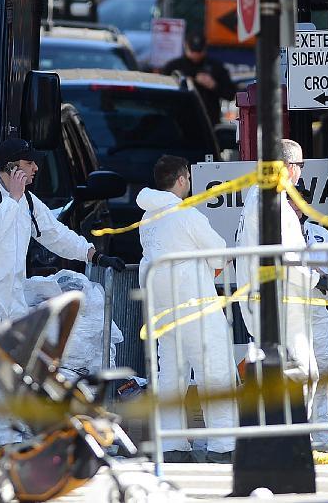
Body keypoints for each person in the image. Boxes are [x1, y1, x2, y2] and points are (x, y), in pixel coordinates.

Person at [0, 138, 125, 459]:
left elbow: (54, 234)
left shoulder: (28, 202)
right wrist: (14, 198)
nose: (36, 168)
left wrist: (92, 254)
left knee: (13, 367)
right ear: (11, 168)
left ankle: (3, 435)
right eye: (29, 163)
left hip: (11, 296)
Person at [137, 155, 237, 463]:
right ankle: (223, 445)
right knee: (215, 371)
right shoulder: (186, 215)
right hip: (197, 303)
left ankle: (172, 444)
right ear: (181, 180)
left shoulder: (147, 218)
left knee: (170, 375)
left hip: (164, 306)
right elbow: (220, 252)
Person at [235, 139, 320, 386]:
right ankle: (294, 425)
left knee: (281, 372)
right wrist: (315, 277)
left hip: (260, 298)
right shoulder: (274, 202)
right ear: (287, 166)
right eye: (300, 164)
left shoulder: (256, 195)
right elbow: (290, 256)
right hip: (281, 301)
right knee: (303, 373)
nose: (301, 172)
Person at [289, 187, 328, 447]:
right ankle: (296, 443)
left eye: (299, 204)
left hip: (316, 309)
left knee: (322, 373)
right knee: (296, 375)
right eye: (290, 203)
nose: (295, 208)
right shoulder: (273, 234)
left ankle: (321, 444)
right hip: (287, 313)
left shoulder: (320, 235)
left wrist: (324, 280)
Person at [162, 33, 236, 126]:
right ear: (185, 46)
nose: (196, 54)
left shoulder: (216, 67)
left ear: (205, 48)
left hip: (207, 121)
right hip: (179, 120)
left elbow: (230, 94)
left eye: (199, 51)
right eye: (193, 51)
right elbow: (163, 93)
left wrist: (213, 85)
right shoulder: (174, 66)